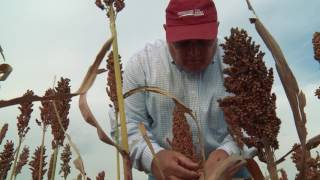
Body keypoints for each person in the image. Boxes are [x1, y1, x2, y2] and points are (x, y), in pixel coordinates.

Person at [109, 0, 254, 179]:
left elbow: (255, 122)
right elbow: (126, 124)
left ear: (216, 29)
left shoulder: (238, 64)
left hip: (233, 172)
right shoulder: (142, 66)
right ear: (166, 32)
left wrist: (227, 152)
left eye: (203, 42)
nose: (194, 51)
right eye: (183, 43)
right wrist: (153, 158)